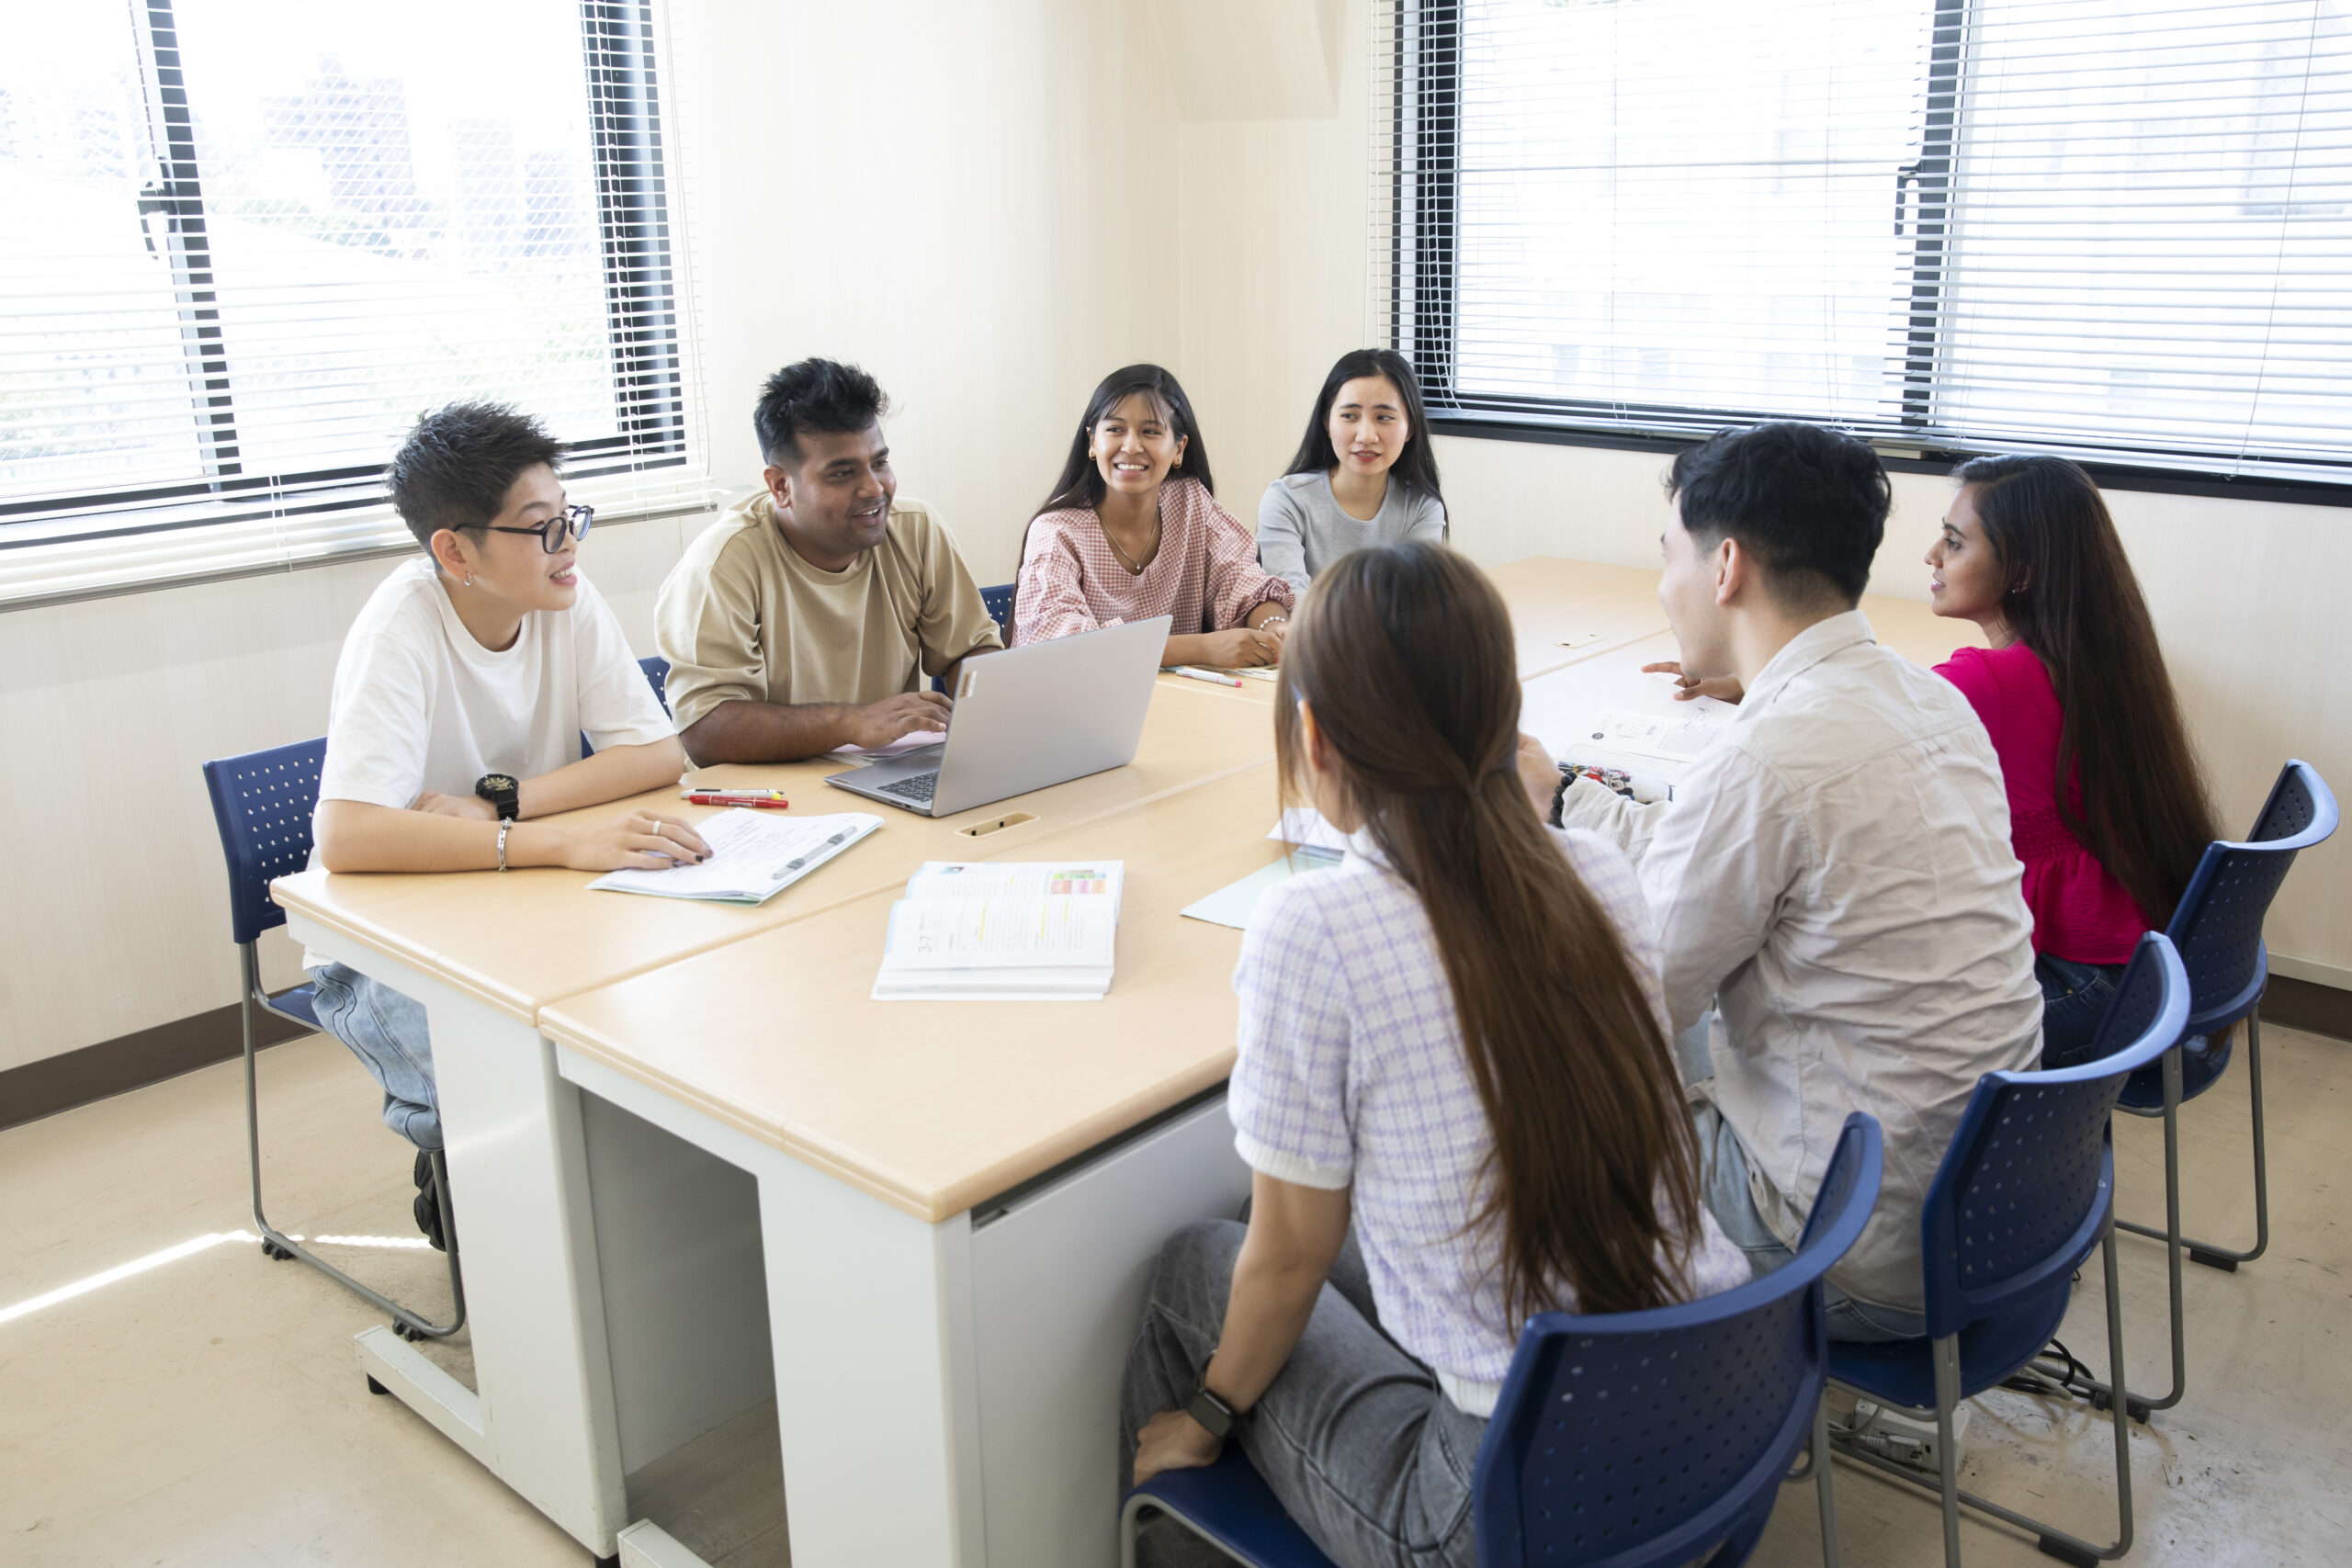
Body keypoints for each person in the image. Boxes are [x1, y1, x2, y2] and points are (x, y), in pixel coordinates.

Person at [1121, 543, 1747, 1568]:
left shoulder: (1313, 928)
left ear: (1313, 736)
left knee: (1206, 1258)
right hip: (1717, 1424)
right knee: (1284, 1229)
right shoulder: (1595, 870)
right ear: (1508, 716)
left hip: (1504, 1516)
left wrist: (1205, 1414)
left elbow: (1286, 1261)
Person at [1538, 422, 2041, 1341]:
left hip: (1851, 1253)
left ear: (1724, 566)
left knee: (1530, 1122)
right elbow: (1718, 856)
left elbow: (1627, 999)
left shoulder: (1769, 760)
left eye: (1668, 558)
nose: (1663, 588)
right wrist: (1568, 798)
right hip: (2003, 1217)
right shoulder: (1930, 700)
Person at [309, 401, 707, 1242]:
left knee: (653, 1052)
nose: (569, 546)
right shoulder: (400, 627)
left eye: (569, 519)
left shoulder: (565, 594)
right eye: (541, 529)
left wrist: (502, 804)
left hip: (522, 903)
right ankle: (459, 1175)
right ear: (455, 551)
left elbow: (654, 755)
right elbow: (347, 836)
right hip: (386, 950)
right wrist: (552, 840)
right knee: (526, 1106)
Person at [1926, 455, 2221, 1065]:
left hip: (2081, 983)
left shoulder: (1990, 681)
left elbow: (1859, 716)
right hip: (2139, 970)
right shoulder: (2094, 650)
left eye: (1954, 542)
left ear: (2023, 571)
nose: (1933, 554)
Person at [655, 359, 1004, 763]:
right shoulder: (722, 565)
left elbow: (969, 654)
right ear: (781, 485)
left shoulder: (917, 530)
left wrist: (994, 707)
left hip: (890, 771)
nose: (875, 489)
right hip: (771, 795)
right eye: (842, 474)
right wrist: (850, 723)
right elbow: (706, 730)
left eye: (879, 463)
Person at [1012, 364, 1295, 665]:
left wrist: (1274, 627)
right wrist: (1200, 648)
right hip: (1081, 708)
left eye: (1150, 431)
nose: (1131, 446)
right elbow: (1058, 646)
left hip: (1183, 699)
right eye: (1115, 429)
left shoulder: (1191, 503)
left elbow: (1239, 579)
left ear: (1179, 448)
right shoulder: (1055, 531)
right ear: (1092, 442)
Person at [1256, 348, 1447, 592]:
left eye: (1384, 417)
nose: (1366, 436)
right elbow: (1291, 601)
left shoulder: (1423, 507)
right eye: (1349, 415)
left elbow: (1414, 602)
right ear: (1327, 422)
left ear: (1410, 428)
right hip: (1308, 632)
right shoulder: (1286, 499)